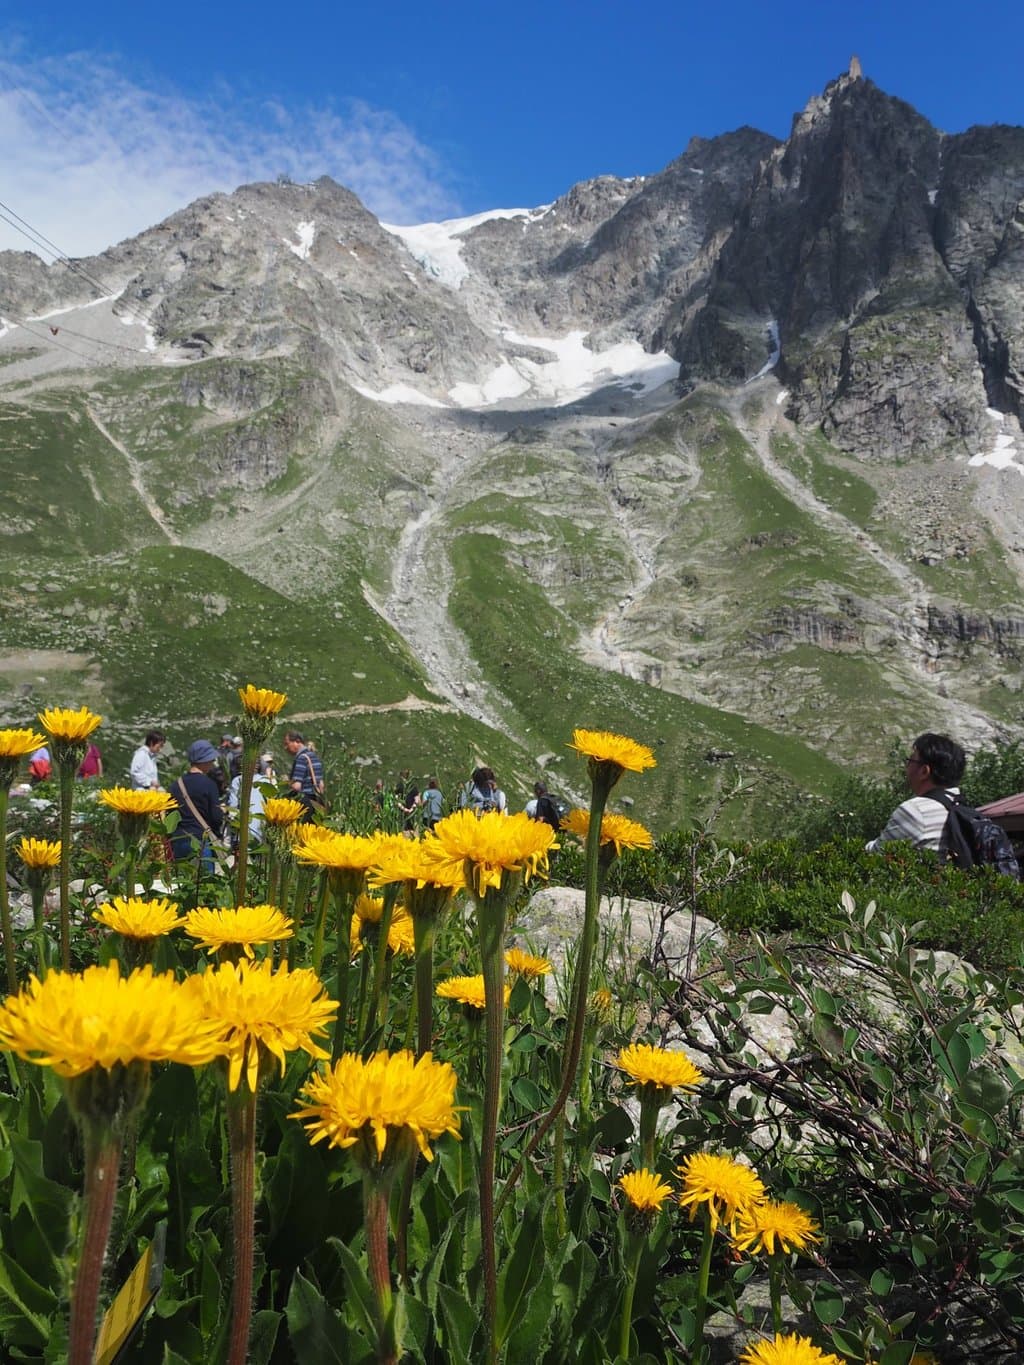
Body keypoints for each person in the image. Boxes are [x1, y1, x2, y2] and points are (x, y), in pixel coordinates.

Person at [866, 733, 966, 854]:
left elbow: (877, 854)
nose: (906, 767)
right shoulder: (962, 807)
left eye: (910, 761)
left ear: (924, 771)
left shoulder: (915, 811)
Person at [168, 740, 225, 870]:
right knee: (204, 884)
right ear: (204, 760)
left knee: (182, 882)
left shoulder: (176, 785)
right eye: (211, 759)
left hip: (178, 839)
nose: (212, 762)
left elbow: (170, 814)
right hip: (201, 839)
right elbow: (216, 817)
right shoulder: (209, 784)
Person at [284, 730, 325, 820]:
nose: (285, 747)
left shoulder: (301, 759)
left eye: (287, 743)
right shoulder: (314, 757)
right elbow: (321, 784)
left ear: (297, 741)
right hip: (317, 802)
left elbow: (297, 786)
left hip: (305, 802)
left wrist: (286, 782)